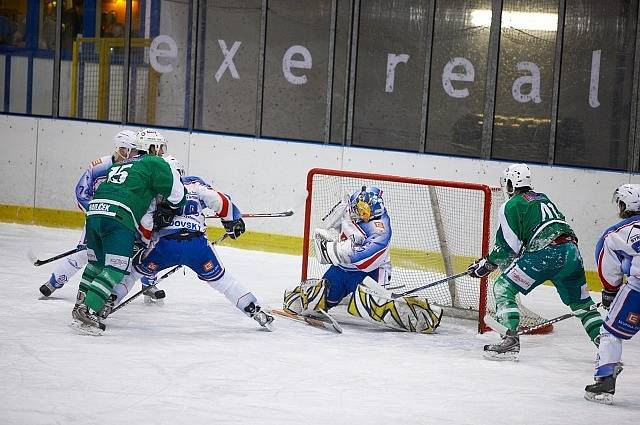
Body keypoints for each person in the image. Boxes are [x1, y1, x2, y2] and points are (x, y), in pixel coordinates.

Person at [106, 157, 274, 330]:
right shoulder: (195, 186)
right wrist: (232, 221)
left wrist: (141, 243)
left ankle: (107, 303)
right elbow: (220, 200)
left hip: (164, 246)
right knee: (225, 282)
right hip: (197, 247)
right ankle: (256, 311)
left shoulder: (154, 192)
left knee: (132, 273)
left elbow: (146, 223)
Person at [468, 163, 603, 360]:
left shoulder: (511, 205)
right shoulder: (543, 199)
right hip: (571, 253)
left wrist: (486, 264)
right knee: (582, 304)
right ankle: (608, 348)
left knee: (502, 287)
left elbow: (507, 249)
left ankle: (510, 340)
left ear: (510, 184)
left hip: (547, 254)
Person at [70, 128, 186, 334]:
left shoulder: (122, 163)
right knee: (116, 266)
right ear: (151, 147)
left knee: (95, 264)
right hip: (118, 217)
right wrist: (170, 209)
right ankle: (89, 311)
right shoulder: (155, 162)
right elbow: (177, 196)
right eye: (160, 148)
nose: (161, 152)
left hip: (95, 213)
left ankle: (79, 306)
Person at [283, 186, 442, 333]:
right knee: (315, 300)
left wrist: (335, 249)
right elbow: (328, 224)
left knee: (376, 306)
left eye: (367, 214)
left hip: (370, 273)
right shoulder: (353, 203)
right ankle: (307, 297)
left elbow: (364, 259)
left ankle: (417, 313)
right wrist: (330, 234)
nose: (363, 216)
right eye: (361, 211)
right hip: (342, 269)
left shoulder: (381, 229)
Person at [39, 129, 137, 297]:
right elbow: (81, 192)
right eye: (132, 150)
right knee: (84, 253)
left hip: (124, 221)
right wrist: (97, 212)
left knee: (129, 256)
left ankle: (146, 284)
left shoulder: (137, 169)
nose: (135, 154)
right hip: (99, 218)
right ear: (121, 149)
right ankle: (55, 281)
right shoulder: (99, 166)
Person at [584, 183, 640, 404]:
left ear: (624, 204)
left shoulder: (617, 234)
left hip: (637, 290)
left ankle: (605, 382)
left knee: (609, 332)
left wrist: (610, 291)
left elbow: (608, 267)